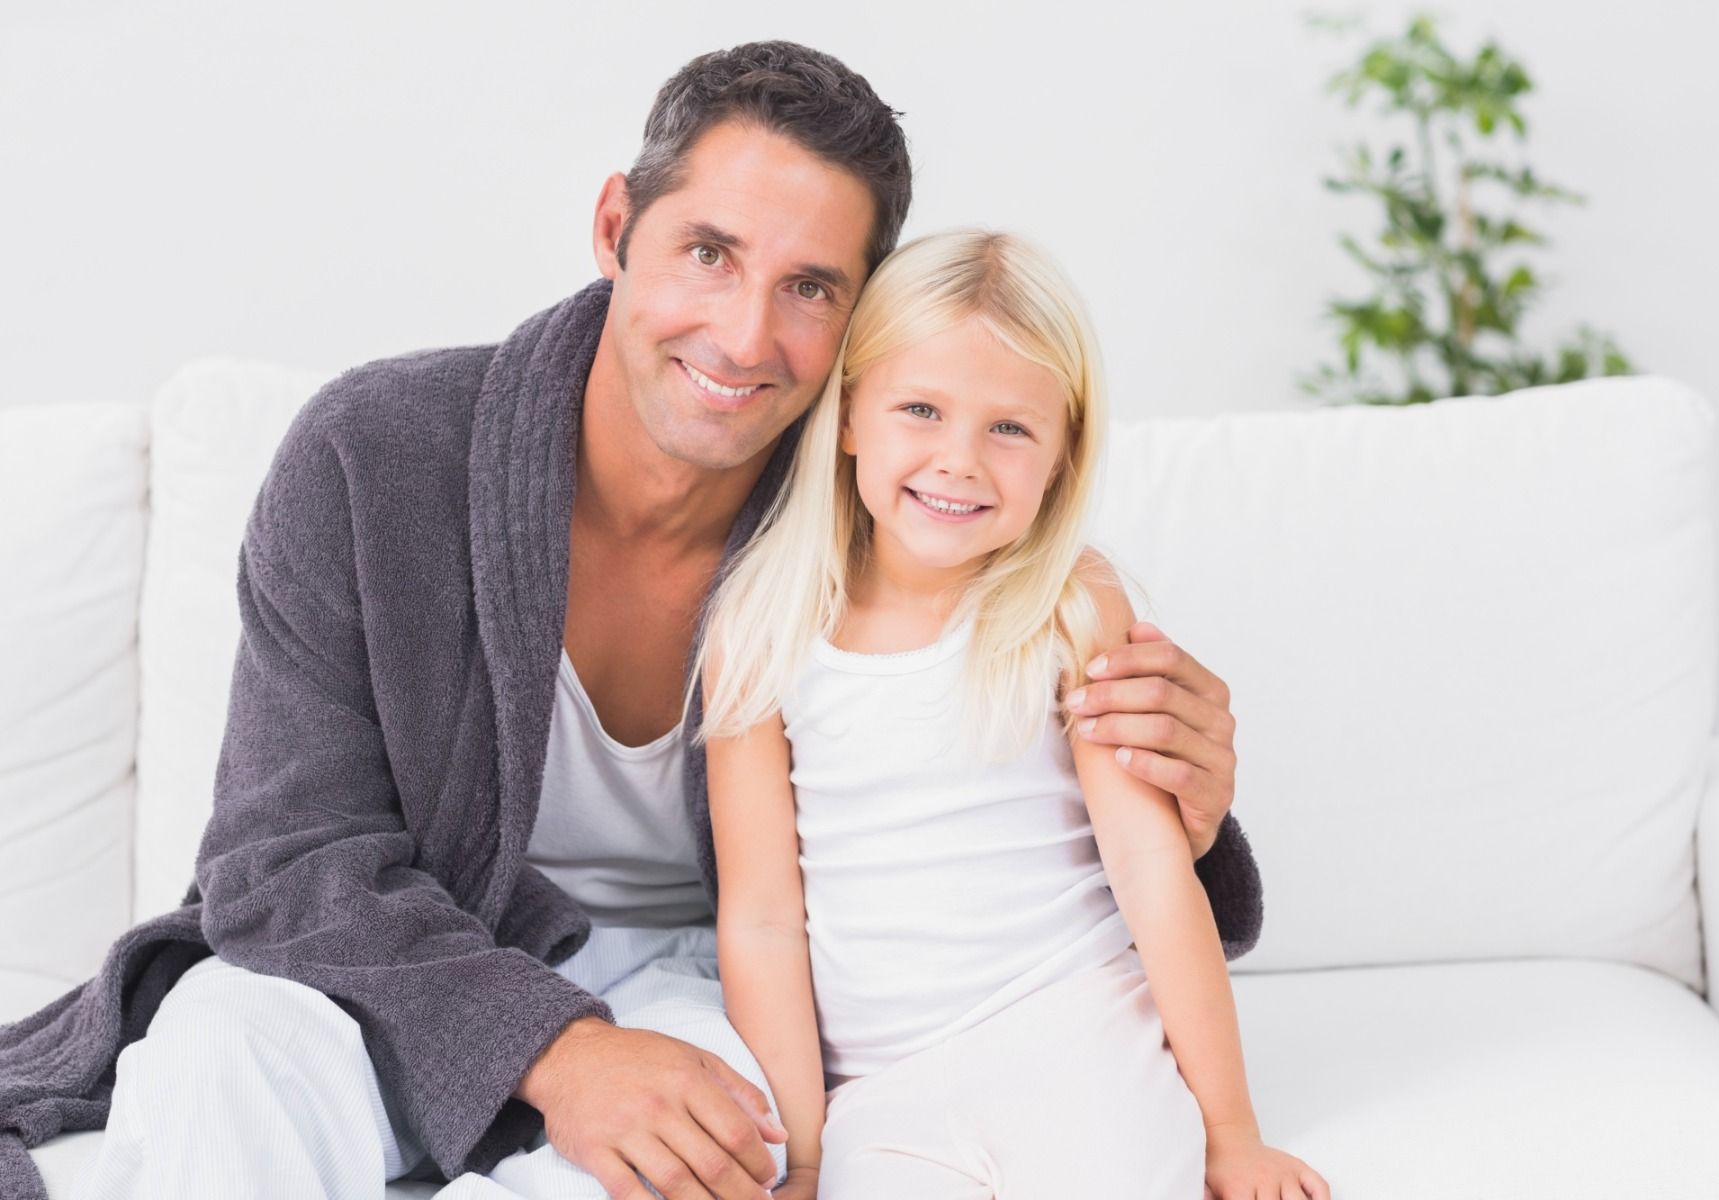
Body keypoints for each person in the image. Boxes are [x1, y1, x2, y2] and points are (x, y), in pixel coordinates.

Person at [0, 42, 1263, 1200]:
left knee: (710, 1158)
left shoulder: (887, 513)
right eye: (709, 252)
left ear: (860, 326)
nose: (744, 334)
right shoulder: (372, 454)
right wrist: (547, 1046)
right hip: (412, 963)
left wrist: (1185, 798)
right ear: (618, 226)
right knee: (221, 1045)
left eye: (810, 287)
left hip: (714, 996)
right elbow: (281, 860)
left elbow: (994, 798)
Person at [694, 229, 1318, 1200]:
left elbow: (1153, 873)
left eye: (1010, 429)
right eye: (921, 410)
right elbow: (765, 919)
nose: (960, 462)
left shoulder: (1069, 605)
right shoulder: (761, 629)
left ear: (1065, 455)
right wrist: (805, 1155)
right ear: (850, 412)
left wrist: (1232, 1132)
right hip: (885, 1090)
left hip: (1080, 1034)